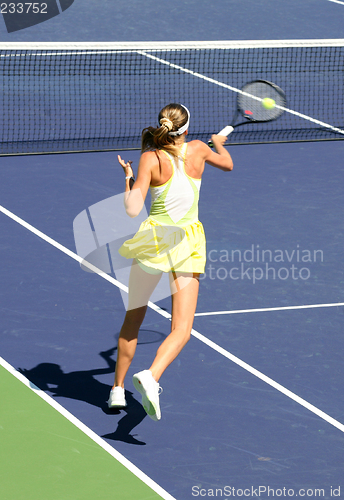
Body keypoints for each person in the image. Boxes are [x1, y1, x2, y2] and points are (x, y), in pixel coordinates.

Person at [107, 103, 233, 421]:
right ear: (186, 130)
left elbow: (133, 210)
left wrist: (129, 179)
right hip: (188, 243)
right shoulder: (201, 150)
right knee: (181, 329)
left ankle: (118, 390)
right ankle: (152, 375)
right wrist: (217, 142)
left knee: (133, 321)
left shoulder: (150, 158)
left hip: (154, 243)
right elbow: (228, 165)